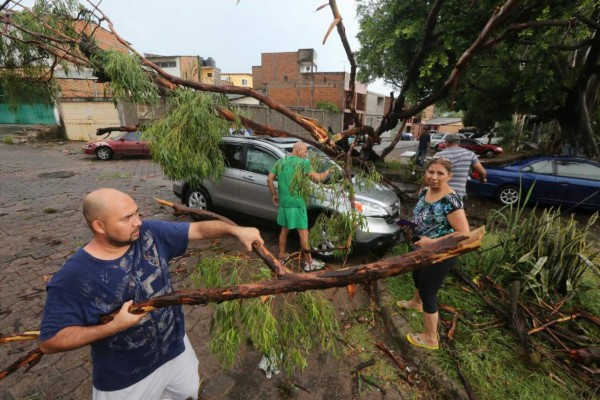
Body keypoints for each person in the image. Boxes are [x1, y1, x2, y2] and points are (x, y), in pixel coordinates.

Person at [39, 188, 263, 400]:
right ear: (99, 226)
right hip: (126, 379)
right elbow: (50, 342)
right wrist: (114, 327)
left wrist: (235, 230)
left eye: (137, 213)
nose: (137, 221)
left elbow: (199, 230)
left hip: (176, 350)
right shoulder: (75, 276)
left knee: (188, 393)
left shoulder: (148, 233)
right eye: (127, 218)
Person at [396, 158, 470, 350]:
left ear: (449, 176)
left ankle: (430, 338)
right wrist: (408, 225)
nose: (434, 177)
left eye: (440, 174)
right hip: (422, 249)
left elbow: (464, 233)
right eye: (430, 172)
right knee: (418, 277)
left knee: (429, 291)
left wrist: (432, 242)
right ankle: (415, 303)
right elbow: (422, 216)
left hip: (440, 253)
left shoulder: (450, 201)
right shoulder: (426, 190)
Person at [267, 141, 329, 272]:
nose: (306, 154)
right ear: (299, 151)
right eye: (305, 151)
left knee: (284, 230)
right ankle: (309, 262)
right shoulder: (303, 163)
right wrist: (328, 171)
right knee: (303, 233)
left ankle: (282, 255)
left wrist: (274, 195)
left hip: (284, 203)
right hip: (297, 204)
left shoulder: (281, 162)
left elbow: (269, 179)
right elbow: (317, 178)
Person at [433, 133, 487, 198]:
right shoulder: (470, 154)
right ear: (459, 142)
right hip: (458, 194)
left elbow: (430, 174)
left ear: (446, 142)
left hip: (440, 193)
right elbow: (482, 172)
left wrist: (422, 188)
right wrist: (482, 179)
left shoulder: (438, 156)